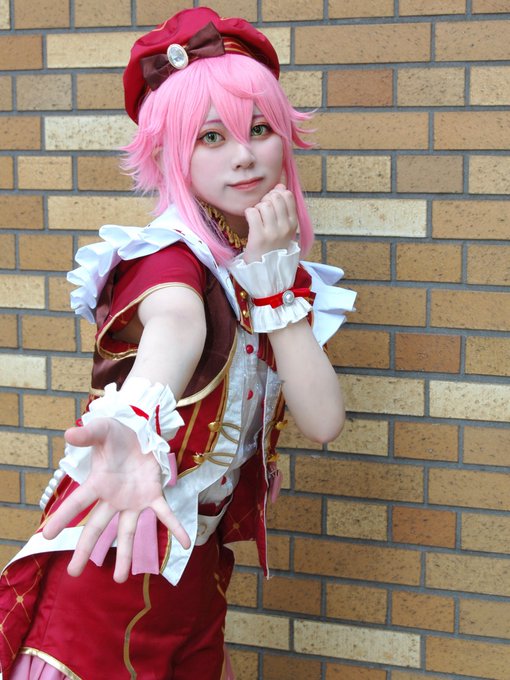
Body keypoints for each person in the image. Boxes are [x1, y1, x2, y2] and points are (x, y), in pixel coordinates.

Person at [0, 7, 356, 679]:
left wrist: (274, 286)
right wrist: (134, 423)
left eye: (259, 129)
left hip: (193, 574)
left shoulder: (259, 264)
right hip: (109, 568)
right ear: (167, 154)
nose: (244, 154)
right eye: (211, 137)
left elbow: (324, 420)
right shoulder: (169, 263)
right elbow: (175, 327)